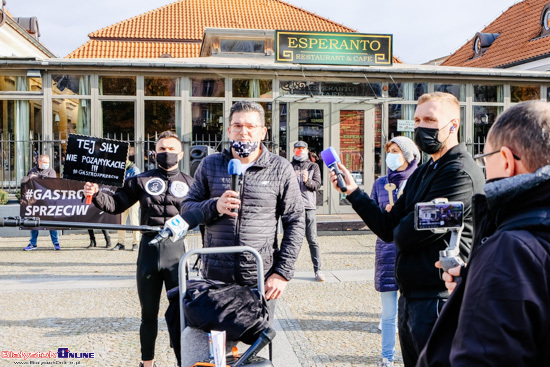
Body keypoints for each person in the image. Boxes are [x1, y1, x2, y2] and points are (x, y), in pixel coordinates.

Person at [328, 92, 485, 367]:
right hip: (410, 299)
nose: (422, 126)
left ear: (453, 125)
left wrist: (404, 220)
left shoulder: (459, 173)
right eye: (417, 119)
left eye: (430, 120)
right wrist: (354, 192)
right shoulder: (424, 171)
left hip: (440, 299)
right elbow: (389, 229)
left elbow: (406, 235)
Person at [417, 100, 550, 367]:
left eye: (485, 159)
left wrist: (492, 274)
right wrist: (475, 282)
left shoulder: (512, 250)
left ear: (505, 160)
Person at [83, 131, 193, 367]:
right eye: (162, 149)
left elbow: (206, 214)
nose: (167, 153)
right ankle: (147, 362)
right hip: (149, 251)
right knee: (148, 314)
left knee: (181, 315)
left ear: (181, 153)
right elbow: (116, 204)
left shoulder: (192, 183)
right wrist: (97, 194)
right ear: (154, 153)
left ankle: (184, 361)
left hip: (177, 253)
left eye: (171, 149)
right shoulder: (139, 180)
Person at [182, 101, 304, 304]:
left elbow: (296, 221)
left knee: (258, 336)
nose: (243, 132)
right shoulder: (210, 164)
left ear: (263, 132)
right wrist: (214, 206)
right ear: (229, 130)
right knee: (217, 336)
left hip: (260, 276)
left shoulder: (280, 168)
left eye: (250, 126)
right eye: (237, 126)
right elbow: (187, 208)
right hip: (216, 275)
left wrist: (282, 273)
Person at [371, 136, 419, 367]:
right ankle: (387, 358)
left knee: (414, 313)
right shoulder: (380, 184)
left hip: (412, 253)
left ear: (408, 156)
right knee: (389, 313)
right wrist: (384, 216)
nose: (391, 155)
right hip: (387, 253)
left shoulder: (419, 181)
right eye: (389, 150)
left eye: (396, 151)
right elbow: (372, 217)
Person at [291, 141, 324, 281]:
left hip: (308, 207)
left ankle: (318, 270)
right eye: (297, 149)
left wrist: (306, 181)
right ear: (293, 151)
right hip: (292, 208)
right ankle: (286, 270)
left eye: (302, 148)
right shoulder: (289, 166)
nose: (300, 151)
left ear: (307, 150)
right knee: (291, 241)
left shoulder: (313, 166)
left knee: (312, 240)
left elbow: (317, 185)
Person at [23, 154, 61, 251]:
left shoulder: (51, 171)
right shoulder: (32, 171)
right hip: (36, 202)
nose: (47, 164)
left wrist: (37, 177)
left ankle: (56, 243)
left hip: (49, 201)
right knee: (34, 222)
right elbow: (27, 182)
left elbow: (50, 181)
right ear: (39, 162)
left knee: (51, 222)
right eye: (45, 163)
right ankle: (33, 243)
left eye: (48, 163)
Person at [113, 150, 141, 251]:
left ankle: (136, 243)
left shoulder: (134, 170)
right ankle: (121, 242)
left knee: (134, 221)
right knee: (121, 222)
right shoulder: (119, 169)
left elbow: (137, 184)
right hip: (122, 198)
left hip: (133, 199)